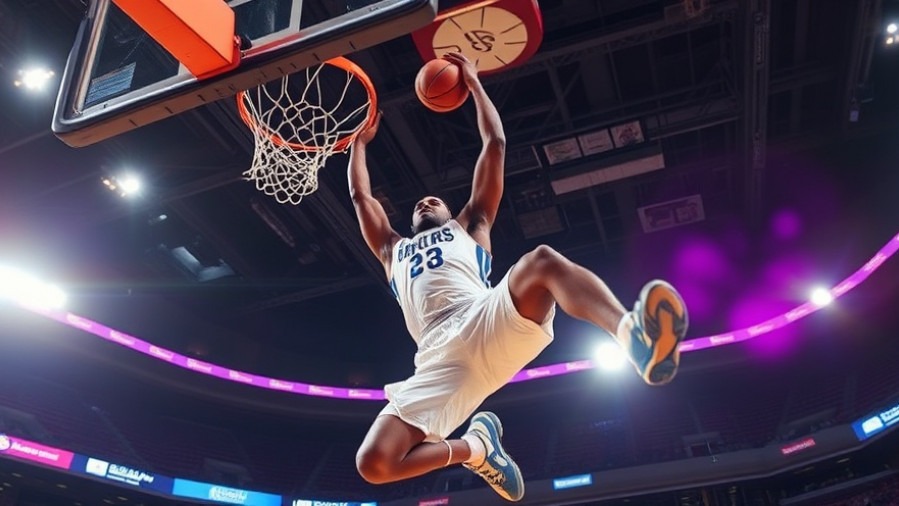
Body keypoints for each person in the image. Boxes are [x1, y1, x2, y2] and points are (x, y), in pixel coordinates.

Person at [347, 52, 688, 502]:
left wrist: (472, 83)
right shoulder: (393, 250)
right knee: (374, 464)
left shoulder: (471, 225)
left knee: (542, 260)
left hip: (483, 317)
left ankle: (632, 336)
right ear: (407, 222)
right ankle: (476, 449)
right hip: (437, 361)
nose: (426, 202)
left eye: (434, 201)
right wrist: (358, 145)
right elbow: (359, 195)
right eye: (418, 205)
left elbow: (495, 146)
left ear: (453, 212)